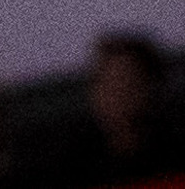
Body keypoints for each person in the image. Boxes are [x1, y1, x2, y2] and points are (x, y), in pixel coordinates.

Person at [55, 30, 174, 181]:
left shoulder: (181, 152)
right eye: (107, 84)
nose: (117, 95)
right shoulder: (73, 163)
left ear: (151, 87)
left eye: (127, 83)